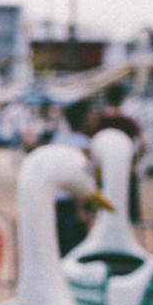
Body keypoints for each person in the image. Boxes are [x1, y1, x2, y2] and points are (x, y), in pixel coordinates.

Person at [89, 82, 145, 221]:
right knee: (128, 216)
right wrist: (135, 160)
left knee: (104, 214)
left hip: (102, 171)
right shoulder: (128, 121)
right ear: (122, 99)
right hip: (126, 169)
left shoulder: (97, 121)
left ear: (106, 98)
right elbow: (143, 143)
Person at [50, 99, 93, 255]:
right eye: (90, 115)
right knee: (76, 251)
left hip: (55, 201)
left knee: (60, 249)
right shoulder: (84, 144)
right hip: (74, 205)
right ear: (83, 119)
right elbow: (80, 179)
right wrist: (81, 209)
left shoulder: (58, 140)